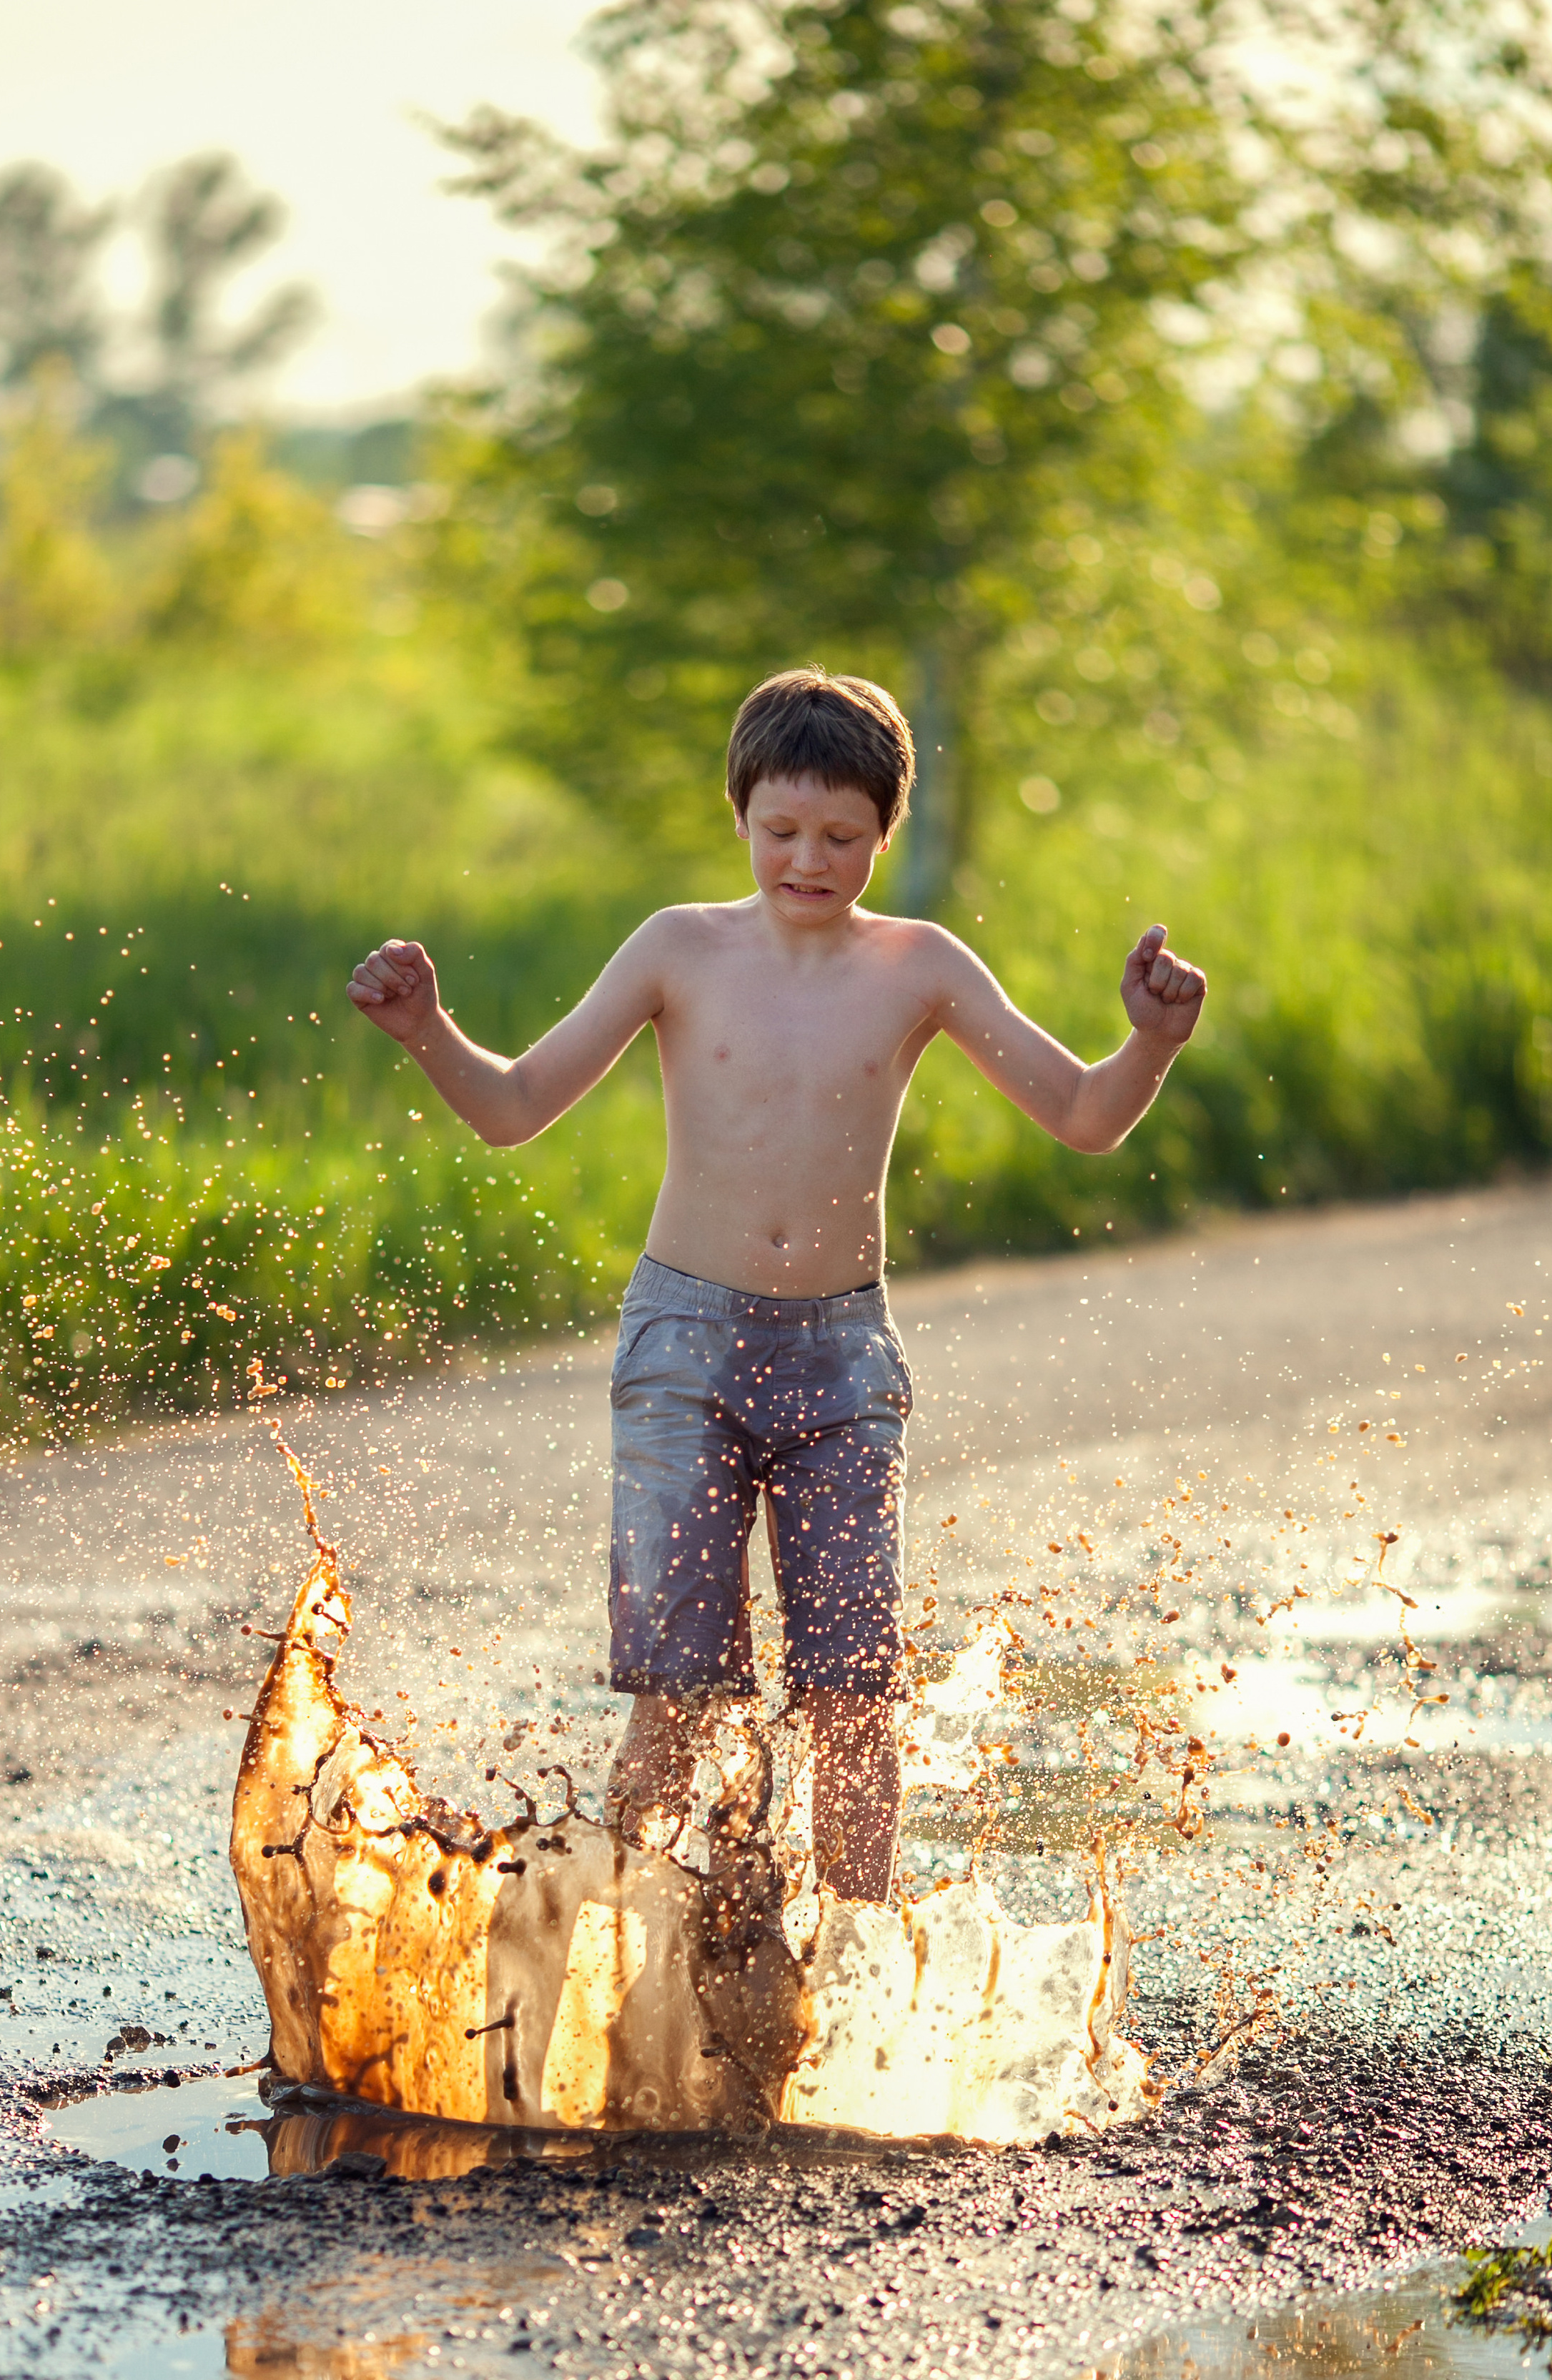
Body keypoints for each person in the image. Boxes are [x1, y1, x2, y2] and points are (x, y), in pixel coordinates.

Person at [347, 667, 1205, 1902]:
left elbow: (1080, 1115)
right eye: (782, 831)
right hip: (683, 1350)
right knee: (681, 1695)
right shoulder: (677, 949)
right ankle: (631, 1969)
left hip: (843, 1362)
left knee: (854, 1691)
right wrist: (430, 1030)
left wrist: (1150, 1043)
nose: (809, 858)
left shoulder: (923, 964)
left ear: (884, 831)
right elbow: (515, 1106)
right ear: (740, 814)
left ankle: (856, 1970)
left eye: (842, 837)